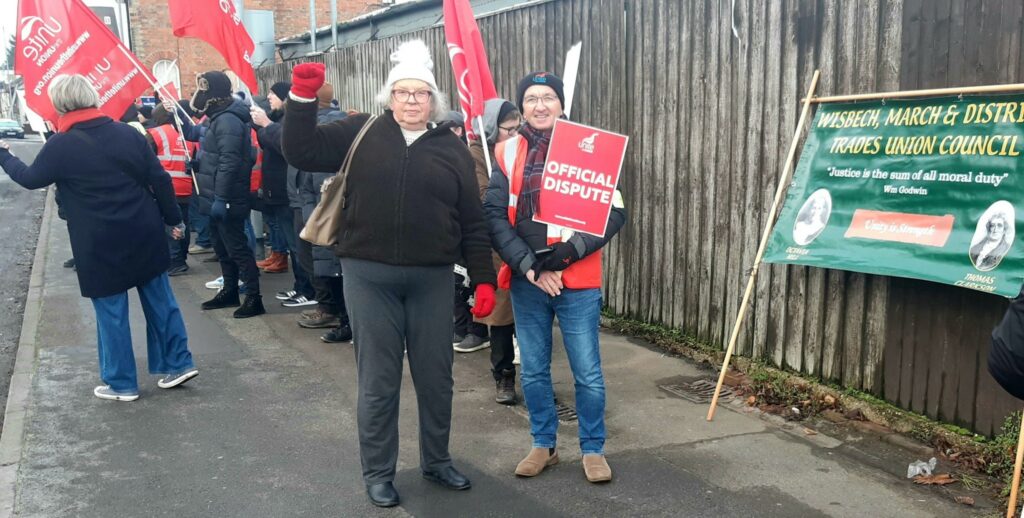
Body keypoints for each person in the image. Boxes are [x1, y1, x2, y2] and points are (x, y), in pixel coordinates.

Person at [281, 40, 496, 508]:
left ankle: (436, 461)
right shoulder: (362, 131)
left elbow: (473, 221)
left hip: (432, 278)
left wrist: (483, 278)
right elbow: (300, 149)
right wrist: (302, 97)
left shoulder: (451, 149)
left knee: (437, 378)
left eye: (421, 93)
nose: (412, 101)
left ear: (434, 101)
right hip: (368, 274)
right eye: (403, 92)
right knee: (379, 380)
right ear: (389, 96)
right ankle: (378, 471)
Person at [0, 75, 198, 401]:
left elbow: (30, 179)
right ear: (92, 97)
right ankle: (178, 362)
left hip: (99, 240)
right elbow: (159, 179)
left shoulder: (60, 146)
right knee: (160, 300)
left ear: (60, 104)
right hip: (143, 229)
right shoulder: (128, 133)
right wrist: (173, 220)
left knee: (112, 312)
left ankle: (122, 384)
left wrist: (6, 155)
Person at [484, 72, 627, 483]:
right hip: (529, 280)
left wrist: (566, 256)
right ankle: (543, 444)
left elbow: (614, 211)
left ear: (562, 104)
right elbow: (494, 216)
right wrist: (531, 266)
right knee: (532, 369)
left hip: (576, 280)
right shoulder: (506, 152)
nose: (540, 104)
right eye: (531, 98)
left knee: (587, 371)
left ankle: (593, 448)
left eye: (548, 97)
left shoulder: (590, 148)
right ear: (522, 106)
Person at [190, 70, 265, 318]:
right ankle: (230, 290)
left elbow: (230, 162)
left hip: (228, 196)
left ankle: (254, 297)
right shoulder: (220, 118)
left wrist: (222, 198)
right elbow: (218, 158)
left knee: (237, 249)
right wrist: (199, 166)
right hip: (216, 194)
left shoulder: (227, 120)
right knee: (222, 248)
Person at [468, 98, 522, 404]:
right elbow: (484, 196)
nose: (515, 135)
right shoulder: (478, 153)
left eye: (518, 128)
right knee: (501, 316)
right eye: (508, 129)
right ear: (492, 129)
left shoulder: (522, 147)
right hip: (497, 240)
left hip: (526, 238)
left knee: (531, 315)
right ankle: (503, 377)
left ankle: (538, 378)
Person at [292, 83, 353, 342]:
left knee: (334, 268)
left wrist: (313, 212)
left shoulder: (327, 131)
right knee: (327, 266)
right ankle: (341, 317)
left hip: (324, 209)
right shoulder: (331, 126)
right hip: (314, 205)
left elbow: (323, 180)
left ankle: (344, 319)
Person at [250, 82, 318, 308]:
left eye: (273, 94)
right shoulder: (277, 119)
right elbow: (267, 141)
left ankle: (308, 290)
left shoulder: (288, 122)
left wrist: (267, 124)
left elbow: (284, 146)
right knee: (292, 244)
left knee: (298, 246)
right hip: (278, 191)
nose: (269, 97)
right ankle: (300, 286)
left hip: (289, 192)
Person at [146, 104, 197, 276]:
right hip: (186, 185)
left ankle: (175, 261)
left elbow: (147, 161)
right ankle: (182, 257)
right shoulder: (187, 134)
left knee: (169, 223)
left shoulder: (155, 134)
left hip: (166, 187)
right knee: (183, 223)